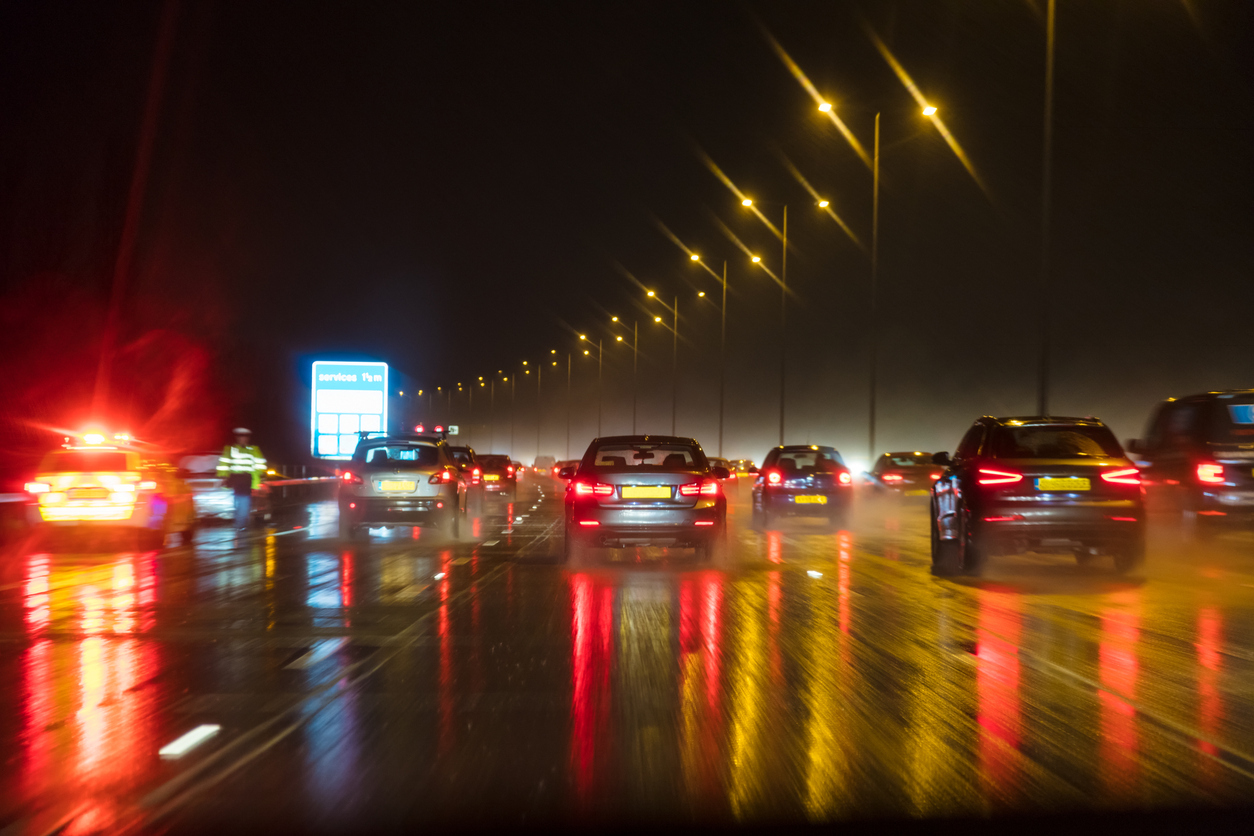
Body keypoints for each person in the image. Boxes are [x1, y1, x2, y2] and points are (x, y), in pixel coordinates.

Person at [216, 427, 267, 531]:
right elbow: (224, 464)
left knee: (243, 502)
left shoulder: (254, 449)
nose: (242, 438)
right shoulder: (230, 449)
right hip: (234, 479)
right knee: (237, 502)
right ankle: (241, 522)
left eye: (245, 436)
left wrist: (261, 478)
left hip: (247, 479)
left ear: (248, 438)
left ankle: (240, 524)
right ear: (236, 437)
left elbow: (260, 464)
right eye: (240, 436)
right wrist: (223, 477)